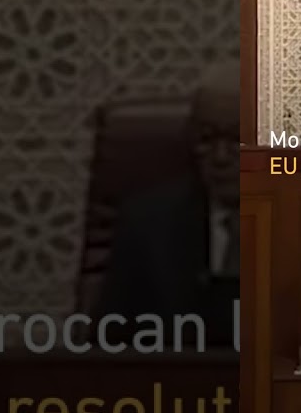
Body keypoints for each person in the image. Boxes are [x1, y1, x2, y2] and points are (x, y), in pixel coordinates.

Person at [92, 63, 240, 346]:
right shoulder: (146, 227)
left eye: (240, 139)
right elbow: (108, 347)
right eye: (206, 139)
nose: (220, 157)